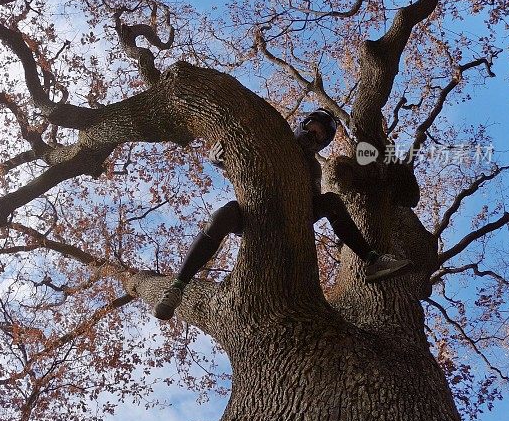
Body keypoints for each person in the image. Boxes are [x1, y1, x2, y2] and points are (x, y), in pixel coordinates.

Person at [154, 108, 411, 320]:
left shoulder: (312, 166)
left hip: (290, 216)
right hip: (251, 213)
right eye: (312, 128)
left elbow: (308, 203)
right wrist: (218, 160)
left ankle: (372, 260)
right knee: (224, 214)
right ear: (302, 124)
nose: (314, 135)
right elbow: (240, 162)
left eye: (320, 136)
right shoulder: (269, 140)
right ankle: (178, 287)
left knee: (332, 201)